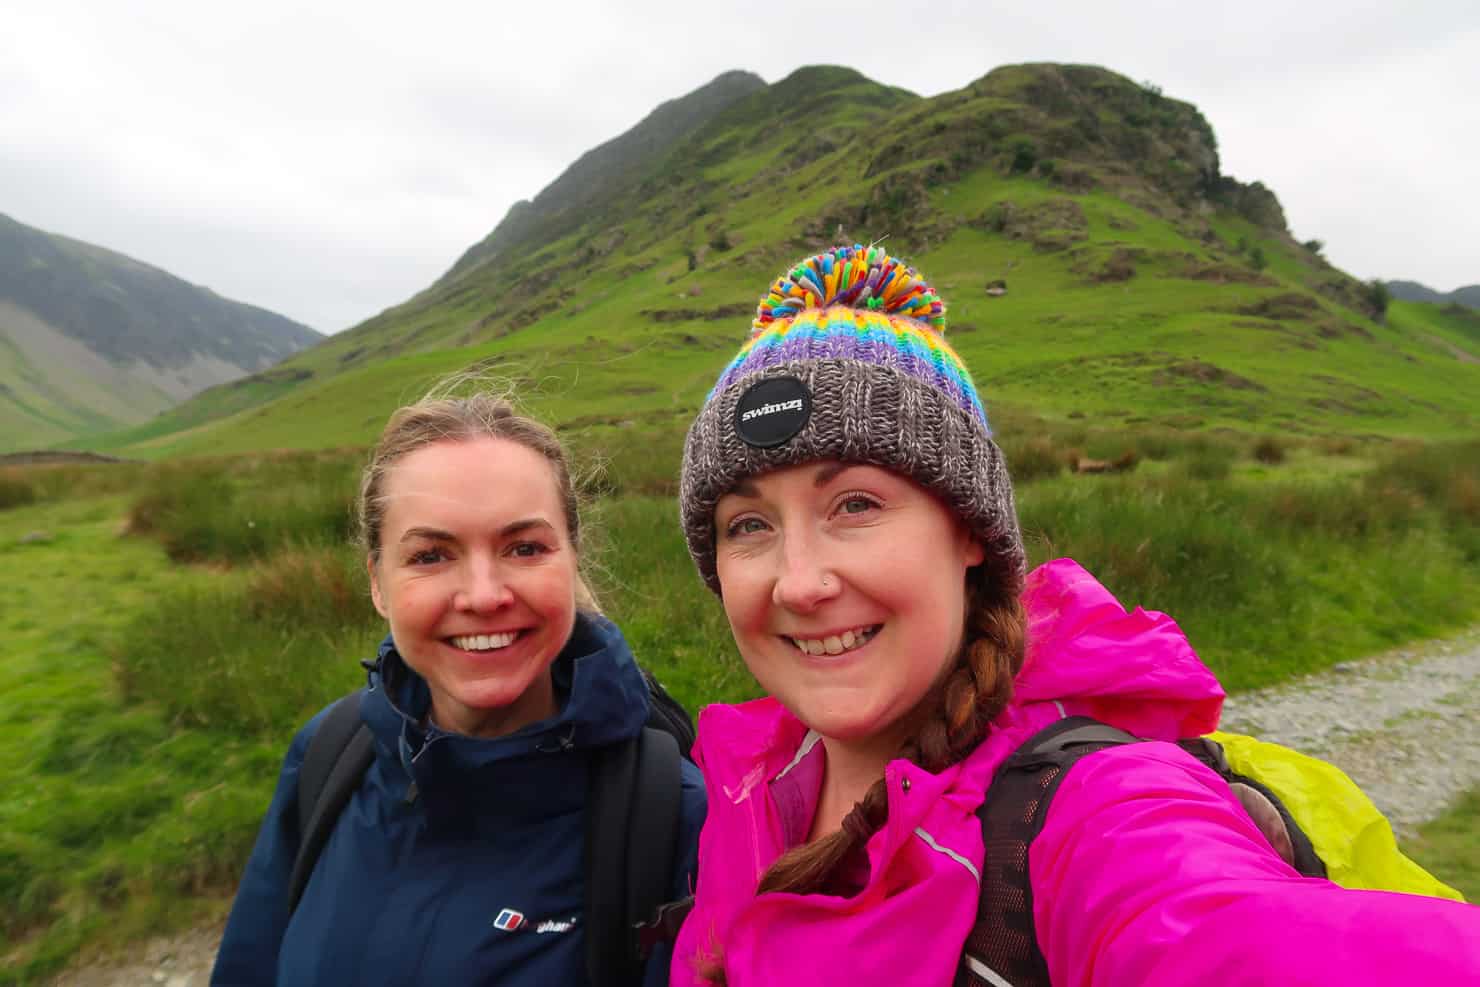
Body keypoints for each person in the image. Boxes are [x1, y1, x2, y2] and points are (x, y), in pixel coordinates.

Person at [669, 245, 1480, 986]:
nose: (799, 582)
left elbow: (1225, 934)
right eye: (749, 525)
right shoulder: (738, 781)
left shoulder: (1092, 812)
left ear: (968, 533)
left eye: (854, 503)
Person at [212, 390, 705, 986]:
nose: (482, 594)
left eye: (524, 548)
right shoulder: (330, 755)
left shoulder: (675, 813)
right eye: (431, 555)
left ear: (572, 558)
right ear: (377, 583)